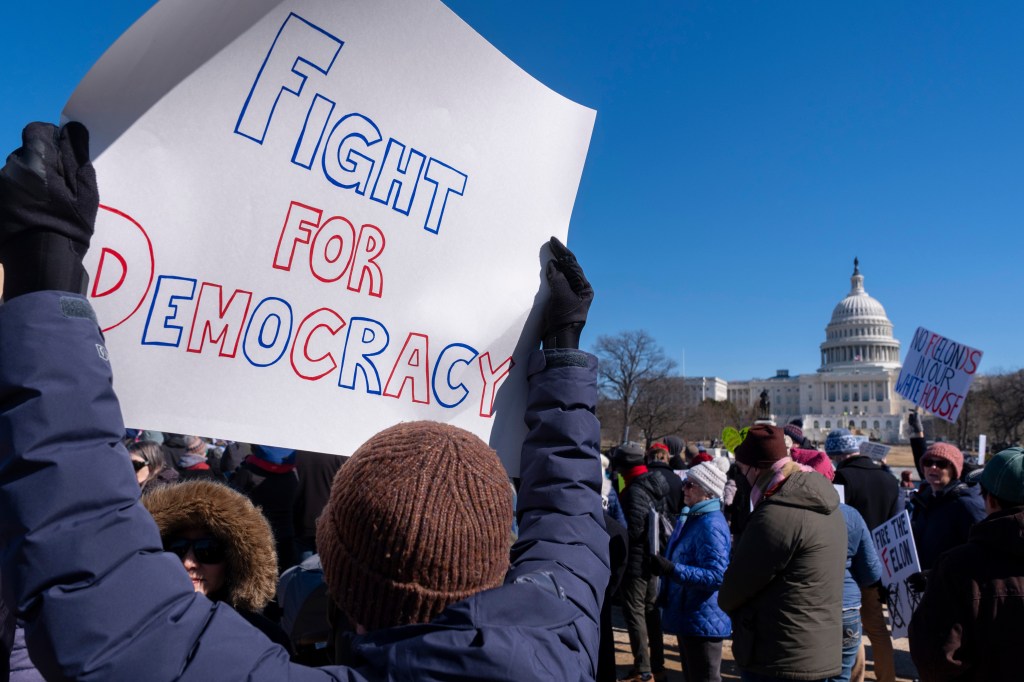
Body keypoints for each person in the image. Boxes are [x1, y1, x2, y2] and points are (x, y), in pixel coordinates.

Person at [0, 122, 608, 679]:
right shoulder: (559, 641)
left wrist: (45, 266)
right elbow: (574, 526)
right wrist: (562, 353)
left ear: (336, 572)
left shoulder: (562, 624)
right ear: (500, 563)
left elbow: (107, 610)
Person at [718, 424, 846, 682]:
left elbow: (733, 591)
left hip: (779, 654)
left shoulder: (776, 513)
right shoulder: (827, 503)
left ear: (755, 468)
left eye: (741, 468)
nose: (740, 475)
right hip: (816, 649)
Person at [908, 446, 1024, 680]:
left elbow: (936, 659)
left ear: (989, 499)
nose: (933, 468)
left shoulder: (957, 566)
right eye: (929, 462)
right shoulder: (956, 565)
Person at [141, 479, 293, 651]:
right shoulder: (138, 626)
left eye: (208, 550)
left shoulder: (263, 638)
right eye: (177, 549)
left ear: (234, 562)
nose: (187, 563)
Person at [792, 448, 881, 682]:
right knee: (841, 677)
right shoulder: (851, 515)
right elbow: (872, 572)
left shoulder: (784, 515)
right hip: (845, 608)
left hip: (806, 608)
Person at [825, 427, 899, 682]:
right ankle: (887, 677)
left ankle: (855, 678)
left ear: (836, 454)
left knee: (852, 623)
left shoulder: (841, 478)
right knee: (877, 629)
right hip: (881, 561)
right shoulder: (889, 479)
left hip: (849, 562)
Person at [649, 462, 731, 682]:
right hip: (692, 616)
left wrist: (673, 569)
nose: (683, 488)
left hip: (703, 619)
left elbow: (717, 576)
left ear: (708, 491)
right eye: (685, 483)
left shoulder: (710, 524)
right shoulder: (695, 518)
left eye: (690, 484)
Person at [612, 441, 670, 682]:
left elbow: (634, 529)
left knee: (635, 613)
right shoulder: (652, 484)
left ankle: (644, 669)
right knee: (649, 611)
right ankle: (656, 665)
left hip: (637, 561)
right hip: (651, 557)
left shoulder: (635, 489)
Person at [909, 442, 986, 570]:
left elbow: (982, 553)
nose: (933, 467)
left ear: (954, 470)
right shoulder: (924, 500)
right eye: (928, 462)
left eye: (941, 464)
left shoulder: (966, 504)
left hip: (952, 586)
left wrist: (936, 574)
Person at [231, 444, 300, 572]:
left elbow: (233, 500)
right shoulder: (293, 473)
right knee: (284, 573)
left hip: (258, 532)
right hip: (287, 532)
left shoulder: (248, 471)